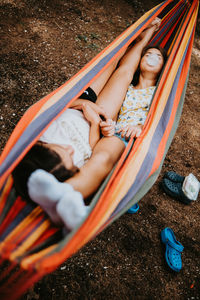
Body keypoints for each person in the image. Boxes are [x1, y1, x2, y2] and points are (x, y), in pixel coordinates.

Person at [13, 17, 166, 230]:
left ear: (42, 148)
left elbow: (50, 106)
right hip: (100, 114)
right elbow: (92, 149)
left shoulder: (41, 134)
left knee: (110, 62)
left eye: (60, 151)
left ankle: (136, 36)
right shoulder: (77, 162)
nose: (68, 148)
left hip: (79, 102)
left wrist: (83, 104)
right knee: (123, 75)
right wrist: (95, 123)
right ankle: (145, 38)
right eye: (69, 158)